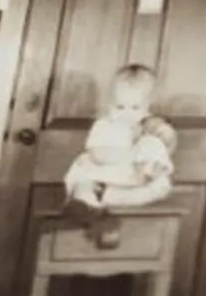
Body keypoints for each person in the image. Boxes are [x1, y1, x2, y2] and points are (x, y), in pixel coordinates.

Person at [60, 64, 178, 210]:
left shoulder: (147, 125)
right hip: (106, 174)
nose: (127, 113)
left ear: (148, 106)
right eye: (120, 107)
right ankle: (89, 206)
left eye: (135, 107)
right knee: (83, 183)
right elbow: (97, 155)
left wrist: (166, 138)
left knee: (162, 183)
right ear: (110, 104)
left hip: (137, 179)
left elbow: (165, 148)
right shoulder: (105, 125)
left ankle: (117, 198)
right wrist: (131, 155)